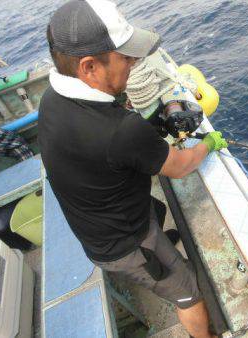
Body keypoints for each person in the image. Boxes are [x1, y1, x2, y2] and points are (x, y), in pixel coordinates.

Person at [38, 1, 228, 337]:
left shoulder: (51, 98)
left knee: (155, 214)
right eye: (125, 57)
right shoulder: (121, 130)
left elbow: (108, 148)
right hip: (124, 246)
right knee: (187, 291)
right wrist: (208, 144)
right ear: (89, 67)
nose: (134, 62)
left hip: (93, 226)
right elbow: (181, 166)